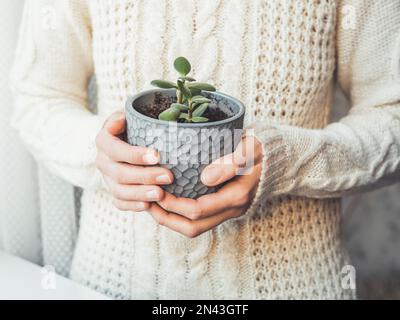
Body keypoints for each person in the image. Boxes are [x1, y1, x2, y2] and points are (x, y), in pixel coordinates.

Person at [10, 0, 400, 299]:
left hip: (295, 283)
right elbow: (39, 97)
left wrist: (287, 162)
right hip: (113, 282)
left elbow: (392, 116)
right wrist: (100, 152)